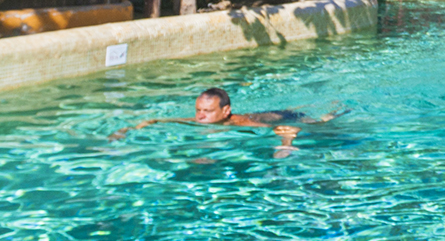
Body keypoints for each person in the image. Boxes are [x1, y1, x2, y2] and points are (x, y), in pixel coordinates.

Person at [109, 87, 344, 157]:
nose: (201, 116)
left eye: (208, 111)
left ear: (226, 111)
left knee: (319, 125)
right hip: (269, 115)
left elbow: (286, 128)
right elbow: (156, 120)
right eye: (199, 110)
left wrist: (285, 144)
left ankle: (331, 113)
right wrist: (127, 129)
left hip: (282, 118)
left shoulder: (241, 124)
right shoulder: (198, 120)